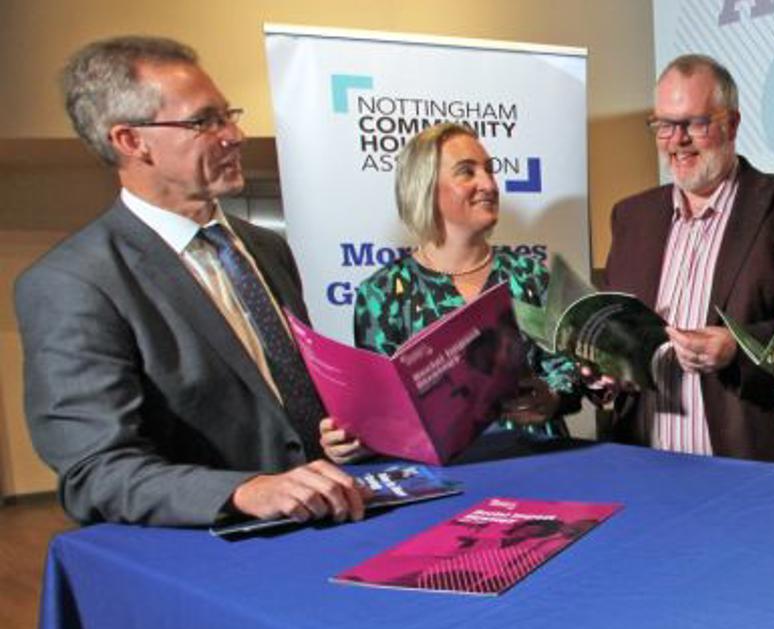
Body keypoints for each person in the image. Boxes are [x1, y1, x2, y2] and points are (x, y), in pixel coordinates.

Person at [17, 36, 365, 526]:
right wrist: (246, 490)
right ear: (131, 141)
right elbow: (95, 470)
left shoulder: (265, 248)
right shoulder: (73, 283)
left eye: (229, 114)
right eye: (205, 121)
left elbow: (284, 401)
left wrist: (336, 436)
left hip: (334, 519)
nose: (235, 135)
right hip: (218, 552)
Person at [602, 54, 774, 467]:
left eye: (694, 124)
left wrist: (739, 347)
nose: (677, 140)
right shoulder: (630, 217)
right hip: (646, 472)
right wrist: (603, 367)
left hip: (760, 473)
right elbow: (612, 329)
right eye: (664, 125)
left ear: (731, 124)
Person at [326, 123, 584, 461]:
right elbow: (382, 410)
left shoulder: (530, 276)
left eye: (490, 171)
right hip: (444, 476)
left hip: (537, 460)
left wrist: (550, 397)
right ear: (425, 187)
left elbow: (569, 371)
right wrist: (352, 438)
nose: (489, 184)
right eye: (467, 172)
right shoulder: (383, 293)